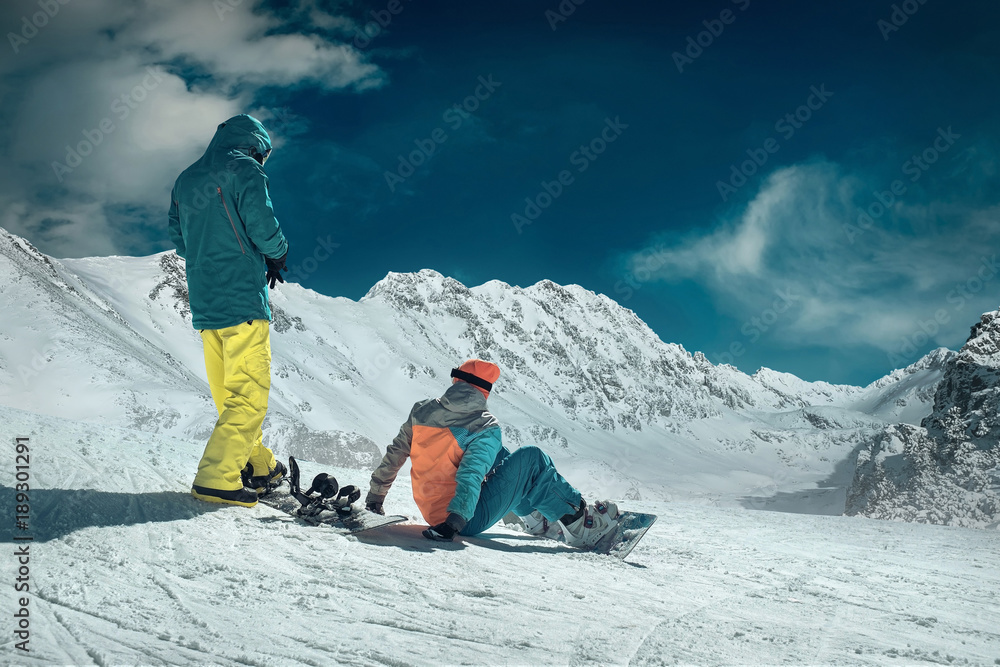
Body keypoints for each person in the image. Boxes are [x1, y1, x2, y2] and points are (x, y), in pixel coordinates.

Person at [365, 359, 622, 548]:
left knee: (502, 455)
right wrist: (455, 522)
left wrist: (375, 498)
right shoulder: (484, 425)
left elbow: (395, 453)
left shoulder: (421, 411)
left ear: (456, 380)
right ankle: (580, 524)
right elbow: (471, 474)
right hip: (463, 517)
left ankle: (535, 519)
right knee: (532, 459)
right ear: (486, 390)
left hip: (433, 511)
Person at [168, 114, 290, 507]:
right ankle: (217, 478)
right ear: (258, 146)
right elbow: (261, 222)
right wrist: (278, 253)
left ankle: (259, 465)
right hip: (242, 299)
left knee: (228, 395)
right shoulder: (244, 168)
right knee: (249, 396)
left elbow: (180, 238)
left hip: (206, 304)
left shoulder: (186, 179)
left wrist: (208, 255)